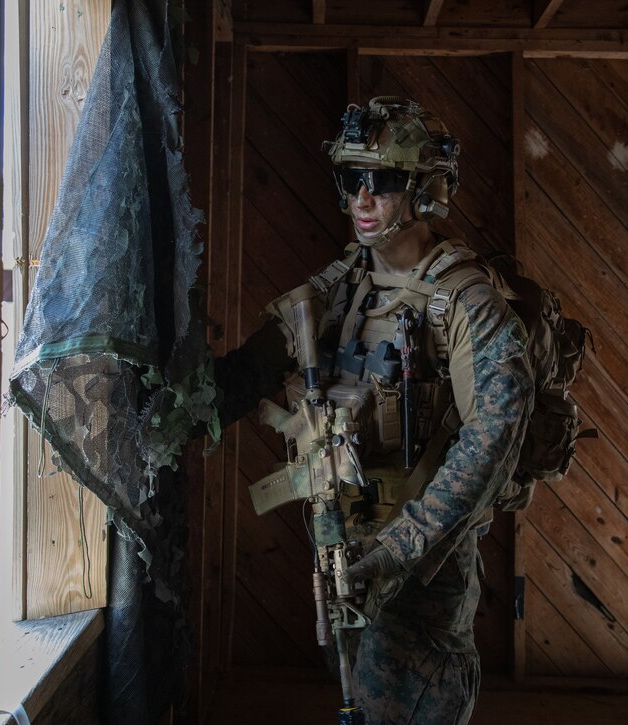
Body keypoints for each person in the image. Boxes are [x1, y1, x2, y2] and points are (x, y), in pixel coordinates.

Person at [215, 97, 535, 724]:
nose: (362, 198)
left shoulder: (466, 304)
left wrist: (401, 550)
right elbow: (249, 370)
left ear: (425, 191)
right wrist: (176, 405)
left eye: (382, 182)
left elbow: (495, 438)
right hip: (346, 550)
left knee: (411, 707)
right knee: (364, 700)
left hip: (422, 568)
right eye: (351, 179)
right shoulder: (345, 285)